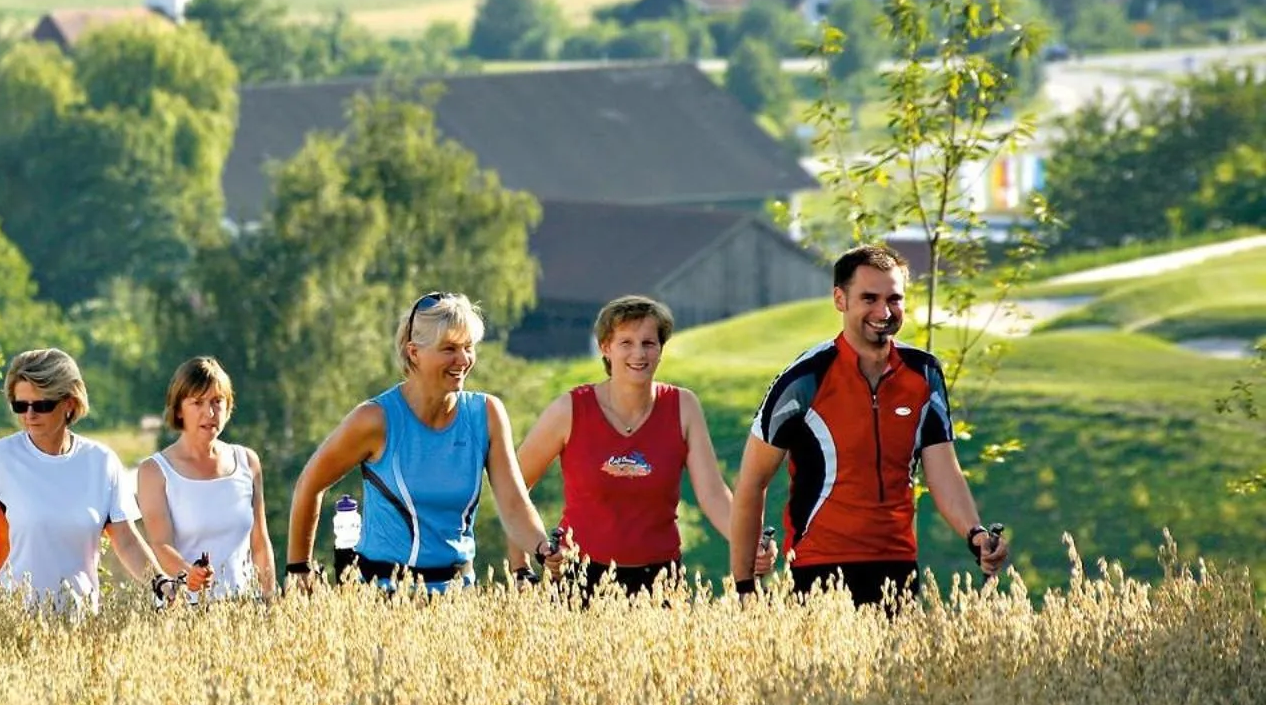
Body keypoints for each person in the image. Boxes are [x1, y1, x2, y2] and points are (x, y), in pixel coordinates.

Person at [729, 244, 1012, 607]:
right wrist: (744, 589)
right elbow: (752, 481)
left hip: (897, 566)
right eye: (869, 298)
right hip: (818, 569)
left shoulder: (924, 373)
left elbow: (943, 470)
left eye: (894, 298)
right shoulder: (804, 379)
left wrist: (974, 534)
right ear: (840, 299)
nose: (883, 311)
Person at [285, 292, 561, 594]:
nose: (464, 360)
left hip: (457, 600)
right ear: (413, 352)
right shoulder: (375, 419)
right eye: (449, 349)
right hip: (380, 599)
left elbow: (513, 503)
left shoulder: (487, 414)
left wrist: (543, 549)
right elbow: (309, 485)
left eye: (468, 347)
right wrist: (299, 568)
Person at [516, 295, 772, 599]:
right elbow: (515, 488)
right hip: (580, 577)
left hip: (661, 579)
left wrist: (749, 543)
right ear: (605, 348)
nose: (639, 353)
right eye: (626, 343)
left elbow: (713, 494)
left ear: (661, 350)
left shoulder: (683, 407)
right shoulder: (570, 409)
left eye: (649, 343)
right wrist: (522, 566)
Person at [0, 347, 206, 611]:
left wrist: (160, 582)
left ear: (69, 403)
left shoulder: (101, 462)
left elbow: (126, 540)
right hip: (7, 618)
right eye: (20, 405)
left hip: (80, 623)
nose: (29, 415)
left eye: (42, 405)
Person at [137, 357, 276, 602]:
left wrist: (270, 600)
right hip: (186, 611)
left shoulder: (248, 461)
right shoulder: (154, 471)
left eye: (217, 401)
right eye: (197, 402)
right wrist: (188, 574)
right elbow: (160, 545)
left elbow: (260, 543)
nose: (209, 413)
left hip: (246, 608)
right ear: (179, 409)